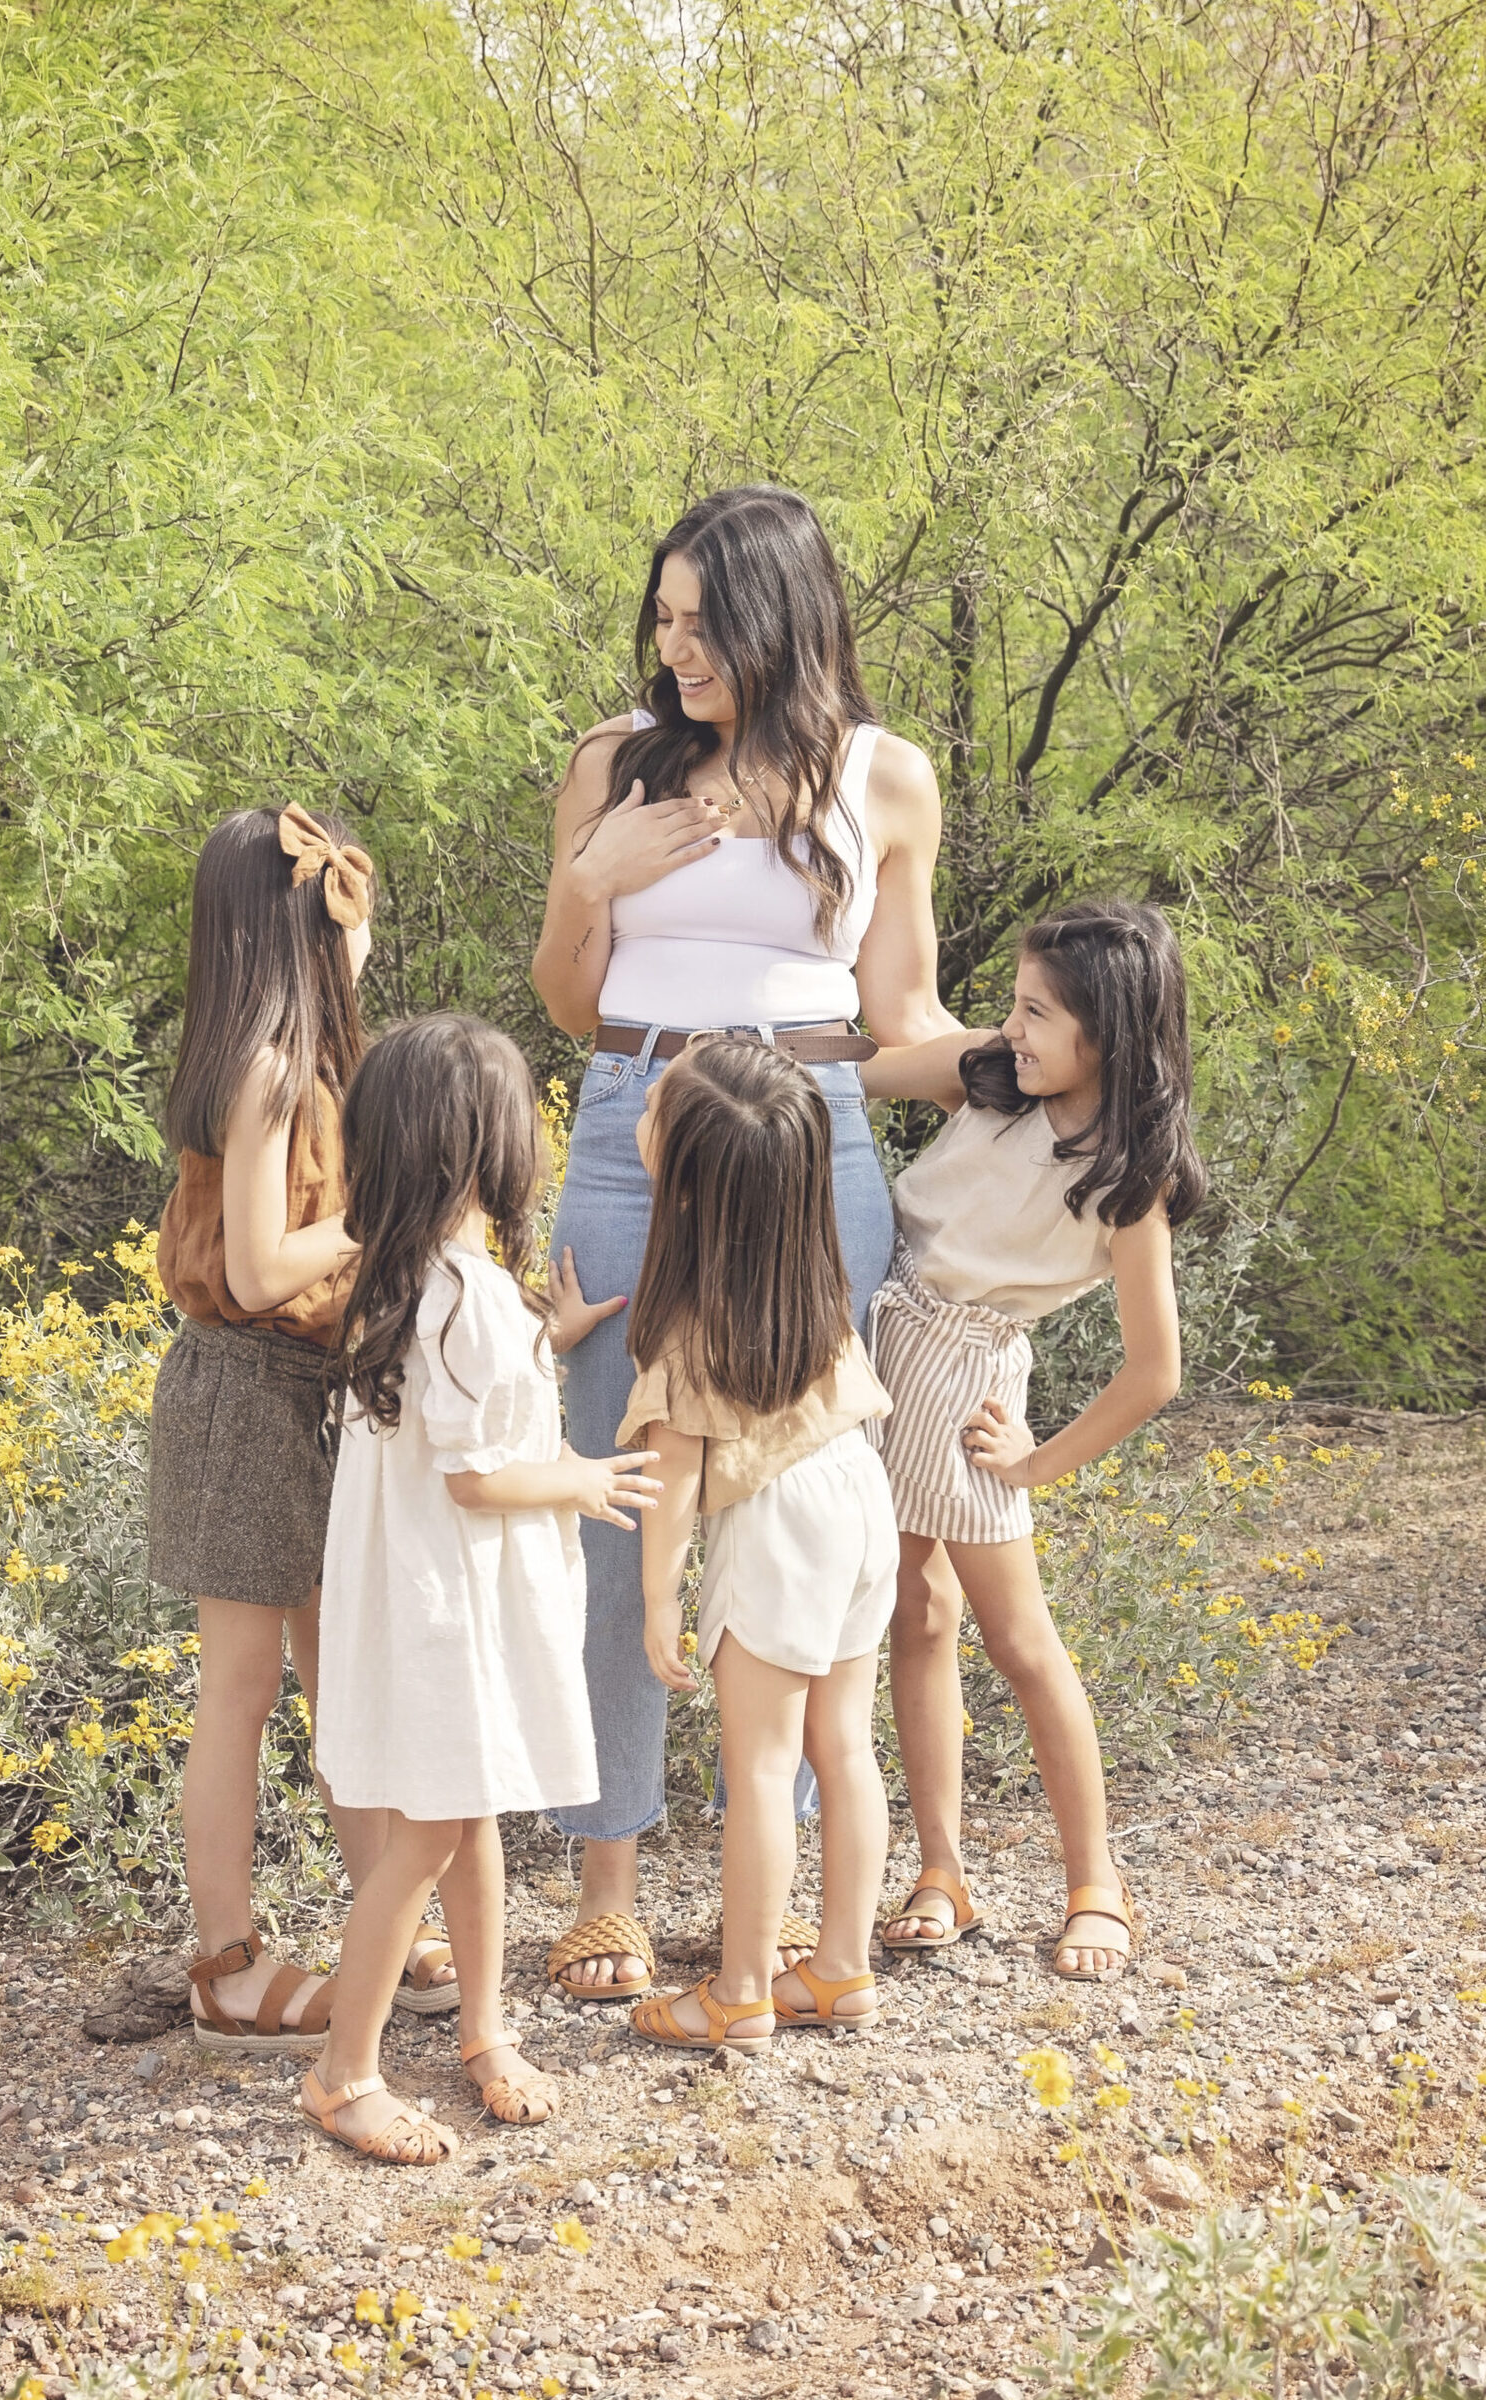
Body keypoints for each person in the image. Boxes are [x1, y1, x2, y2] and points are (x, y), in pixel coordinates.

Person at [532, 484, 957, 1998]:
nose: (677, 646)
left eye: (705, 620)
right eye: (663, 618)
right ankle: (610, 1883)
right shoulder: (613, 763)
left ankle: (761, 1882)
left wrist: (1044, 1069)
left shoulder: (887, 779)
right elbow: (569, 998)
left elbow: (899, 1024)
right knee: (620, 1475)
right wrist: (598, 881)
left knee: (787, 1481)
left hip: (805, 1136)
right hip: (637, 1116)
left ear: (783, 618)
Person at [299, 1014, 661, 2162]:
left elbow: (459, 1421)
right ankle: (342, 2072)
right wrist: (583, 1474)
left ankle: (483, 2029)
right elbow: (478, 1479)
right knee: (425, 1839)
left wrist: (542, 1342)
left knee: (473, 1816)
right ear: (487, 1153)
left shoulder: (421, 1284)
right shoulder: (465, 1300)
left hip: (428, 1604)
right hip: (449, 1610)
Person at [150, 805, 455, 2053]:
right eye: (337, 910)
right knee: (245, 1684)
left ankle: (381, 1908)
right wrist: (392, 1210)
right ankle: (226, 1961)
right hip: (251, 1386)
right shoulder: (273, 1070)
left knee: (339, 1678)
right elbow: (270, 1268)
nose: (357, 925)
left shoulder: (284, 1053)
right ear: (296, 932)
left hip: (297, 1394)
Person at [860, 900, 1206, 1981]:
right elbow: (854, 1072)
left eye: (1035, 1013)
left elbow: (1155, 1371)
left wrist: (1037, 1460)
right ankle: (941, 1870)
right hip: (875, 1336)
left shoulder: (1125, 1179)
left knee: (1017, 1639)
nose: (1011, 1028)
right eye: (1012, 1005)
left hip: (963, 1375)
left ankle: (1095, 1883)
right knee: (912, 1614)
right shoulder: (987, 1074)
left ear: (1108, 1031)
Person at [585, 1037, 898, 2053]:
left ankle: (739, 1992)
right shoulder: (814, 1277)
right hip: (859, 1499)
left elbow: (671, 1488)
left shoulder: (690, 1324)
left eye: (656, 1111)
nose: (642, 1114)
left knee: (760, 1766)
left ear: (679, 1179)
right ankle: (841, 1971)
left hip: (778, 1523)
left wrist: (662, 1599)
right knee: (843, 1750)